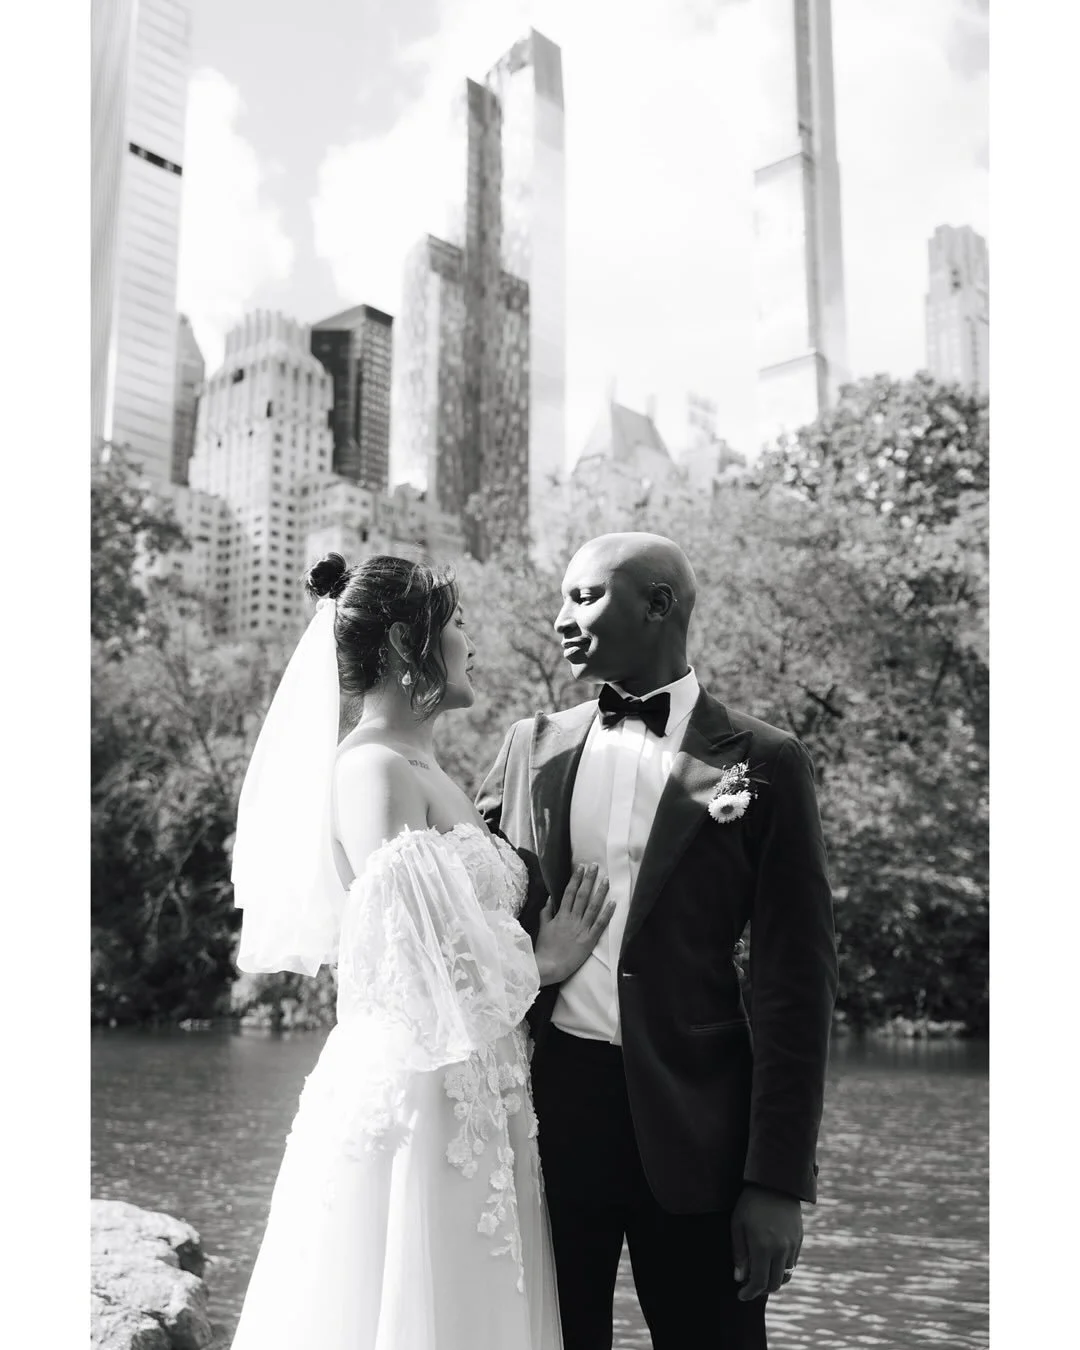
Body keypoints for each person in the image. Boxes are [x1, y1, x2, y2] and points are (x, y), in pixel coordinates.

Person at [229, 552, 613, 1350]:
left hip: (480, 1087)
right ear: (410, 641)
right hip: (421, 1094)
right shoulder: (371, 769)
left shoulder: (425, 767)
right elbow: (415, 949)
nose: (472, 640)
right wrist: (543, 961)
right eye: (460, 623)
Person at [477, 531, 839, 1350]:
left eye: (585, 596)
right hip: (545, 1127)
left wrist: (778, 1180)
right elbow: (462, 920)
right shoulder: (528, 746)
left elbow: (796, 983)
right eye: (562, 598)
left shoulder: (768, 762)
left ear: (659, 604)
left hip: (703, 1134)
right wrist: (534, 965)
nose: (562, 618)